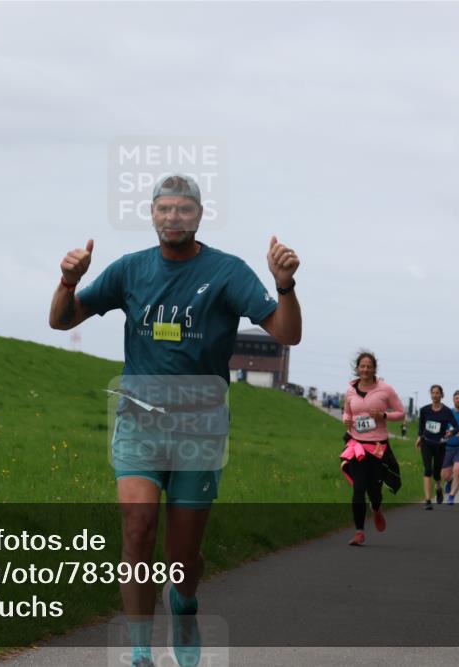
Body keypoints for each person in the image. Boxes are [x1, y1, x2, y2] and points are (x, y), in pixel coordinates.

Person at [49, 174, 302, 667]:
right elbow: (62, 320)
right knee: (137, 530)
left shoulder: (227, 272)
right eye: (163, 209)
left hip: (200, 430)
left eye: (183, 210)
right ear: (152, 214)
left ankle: (183, 606)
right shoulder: (130, 270)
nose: (172, 218)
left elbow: (286, 334)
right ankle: (141, 650)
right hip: (139, 423)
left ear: (199, 215)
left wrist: (285, 285)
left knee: (182, 561)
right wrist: (68, 281)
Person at [340, 351, 404, 545]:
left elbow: (401, 413)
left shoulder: (385, 389)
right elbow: (346, 412)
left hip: (378, 447)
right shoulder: (350, 390)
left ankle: (377, 508)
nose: (365, 369)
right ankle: (359, 532)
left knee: (374, 491)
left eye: (369, 366)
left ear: (374, 368)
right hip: (357, 444)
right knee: (358, 489)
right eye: (362, 366)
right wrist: (346, 420)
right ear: (357, 368)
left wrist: (383, 416)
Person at [416, 385, 459, 508]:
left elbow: (456, 427)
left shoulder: (446, 411)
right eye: (433, 393)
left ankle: (438, 487)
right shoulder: (424, 410)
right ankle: (428, 500)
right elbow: (421, 427)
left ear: (441, 395)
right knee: (427, 470)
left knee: (436, 473)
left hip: (440, 444)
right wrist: (419, 437)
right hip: (426, 442)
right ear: (430, 394)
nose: (435, 395)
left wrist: (451, 432)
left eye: (437, 393)